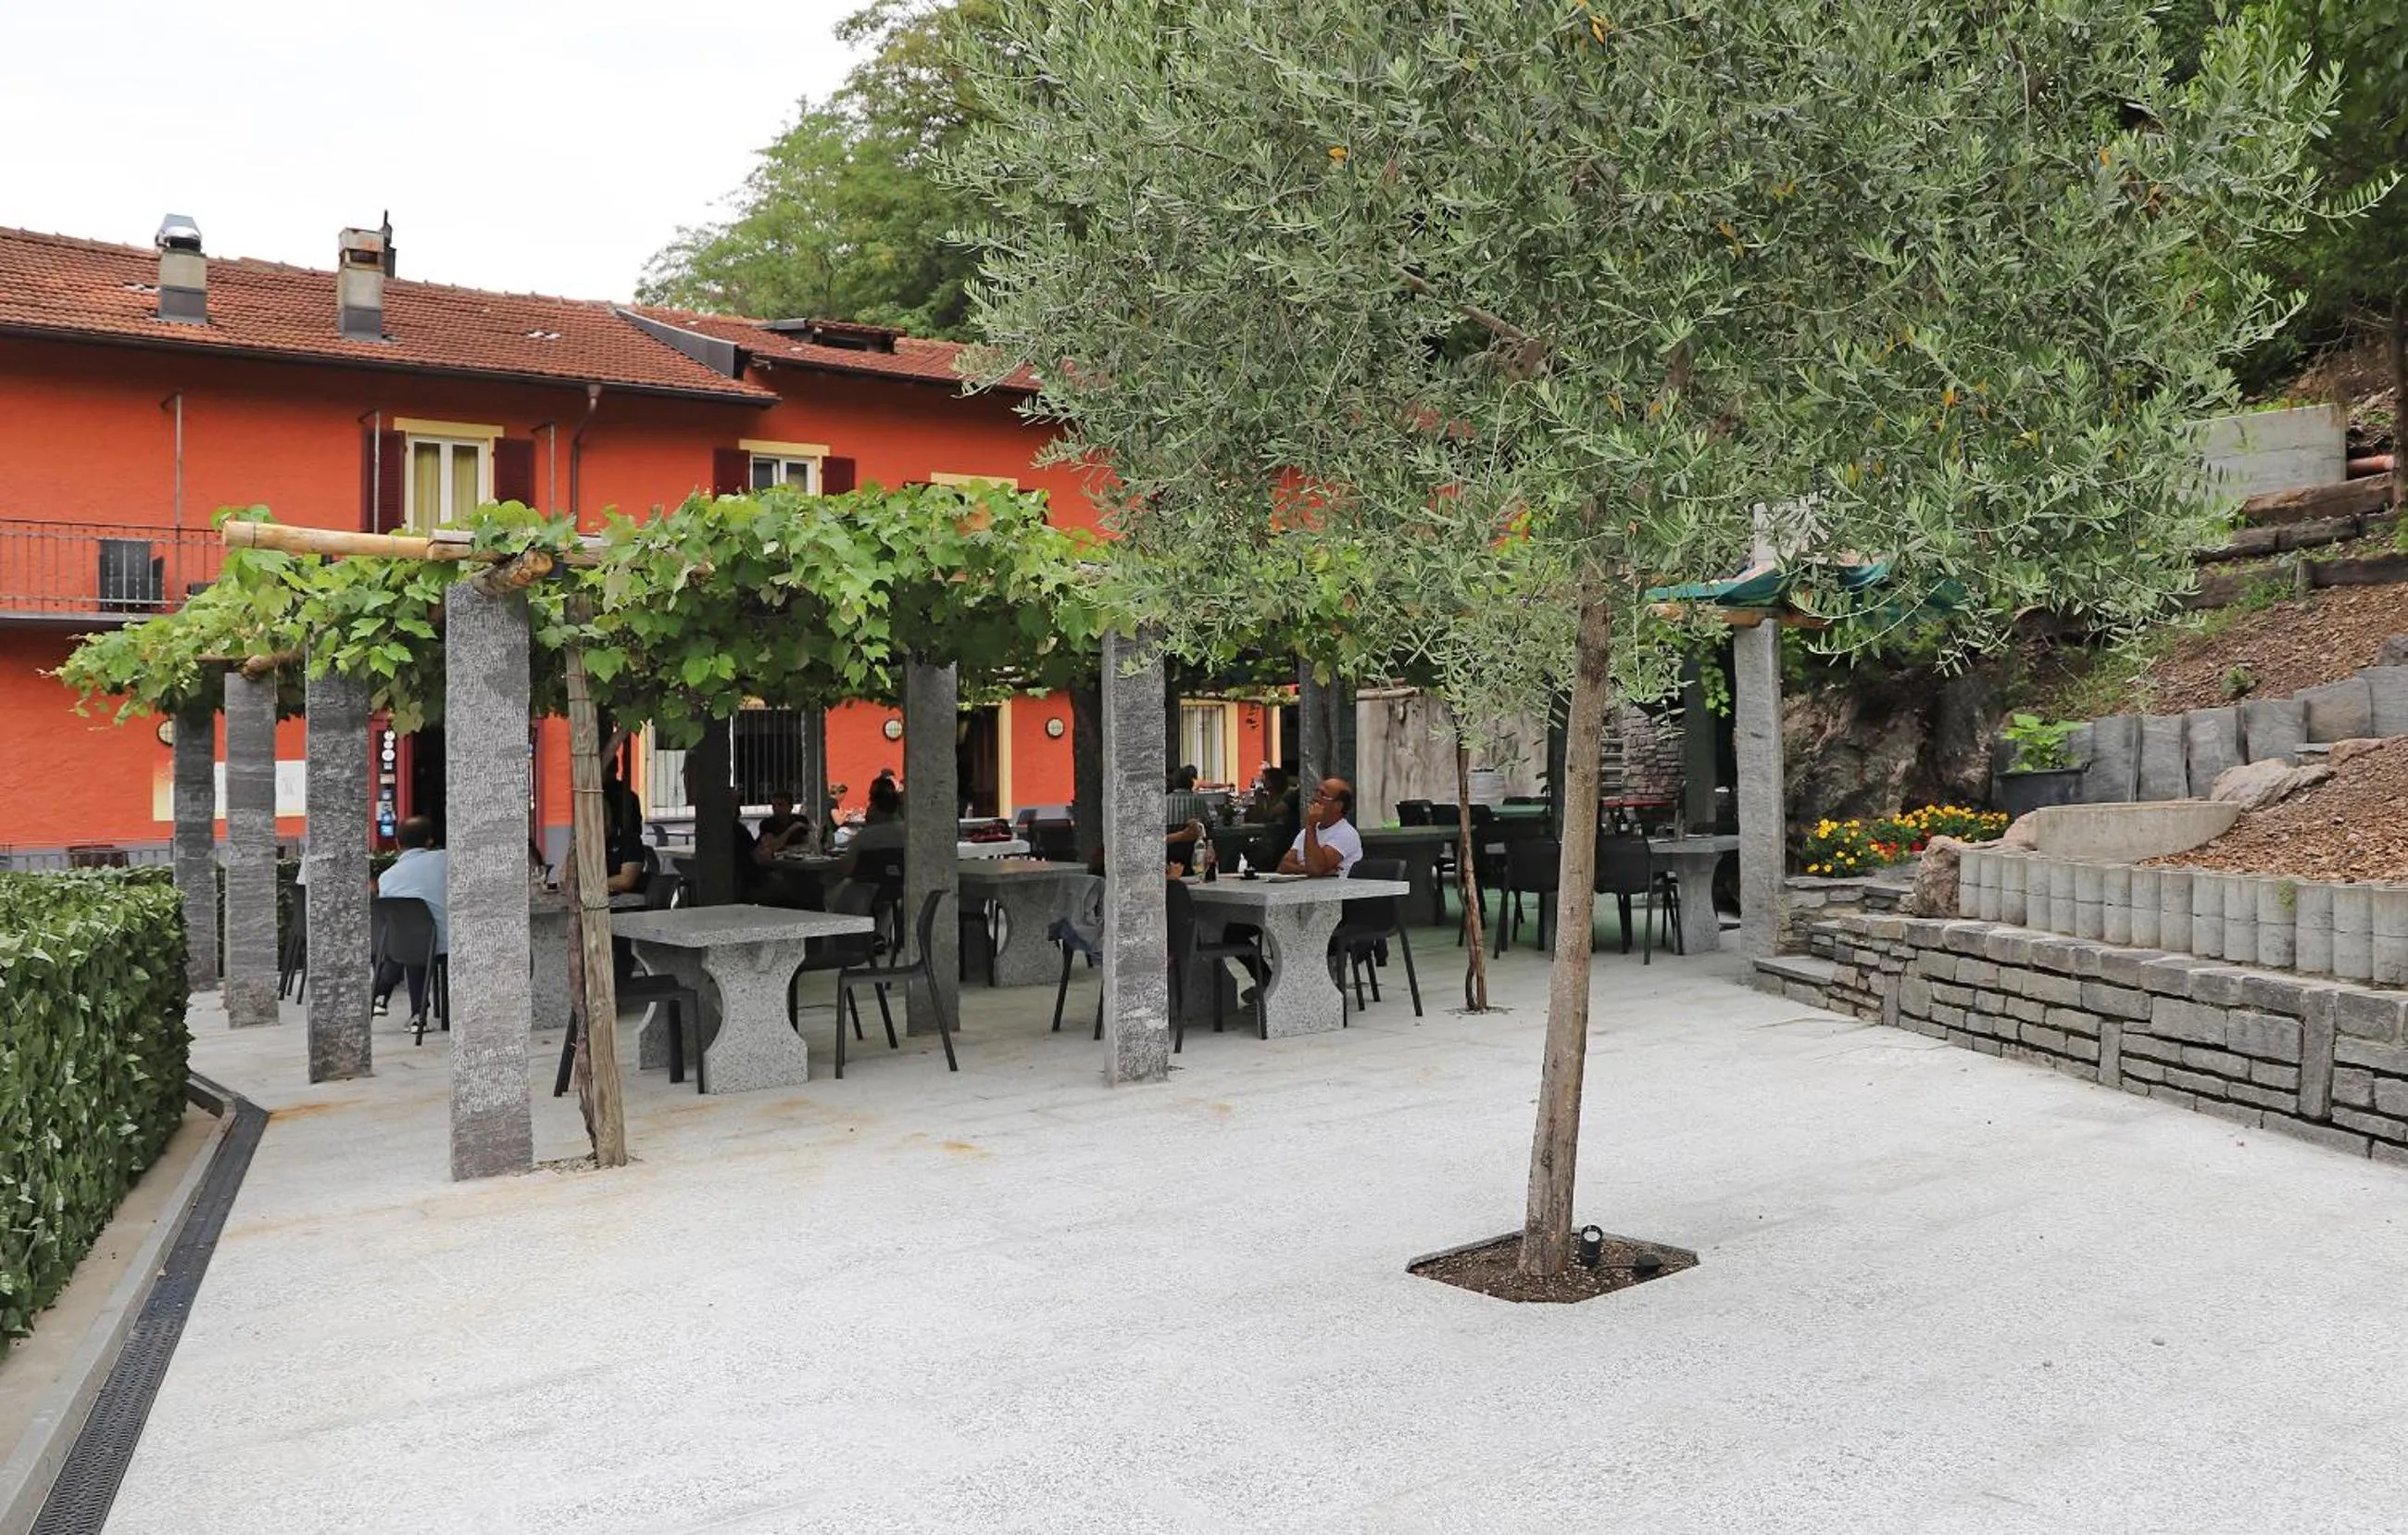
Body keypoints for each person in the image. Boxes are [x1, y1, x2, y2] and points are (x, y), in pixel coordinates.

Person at [372, 816, 447, 1020]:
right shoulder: (445, 861)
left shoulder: (386, 877)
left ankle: (414, 1013)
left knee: (411, 933)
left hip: (404, 949)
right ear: (429, 841)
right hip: (444, 945)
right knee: (423, 934)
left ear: (397, 842)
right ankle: (416, 1013)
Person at [1279, 777, 1362, 878]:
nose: (1315, 798)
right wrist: (1307, 870)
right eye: (1316, 792)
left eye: (1323, 794)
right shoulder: (1307, 832)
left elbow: (1316, 869)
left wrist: (1311, 825)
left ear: (1338, 806)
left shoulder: (1346, 834)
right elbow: (1283, 867)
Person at [759, 790, 812, 856]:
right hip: (775, 863)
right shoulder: (767, 823)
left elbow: (807, 844)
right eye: (774, 805)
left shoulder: (801, 819)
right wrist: (790, 829)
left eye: (780, 805)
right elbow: (772, 847)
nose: (776, 808)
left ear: (791, 806)